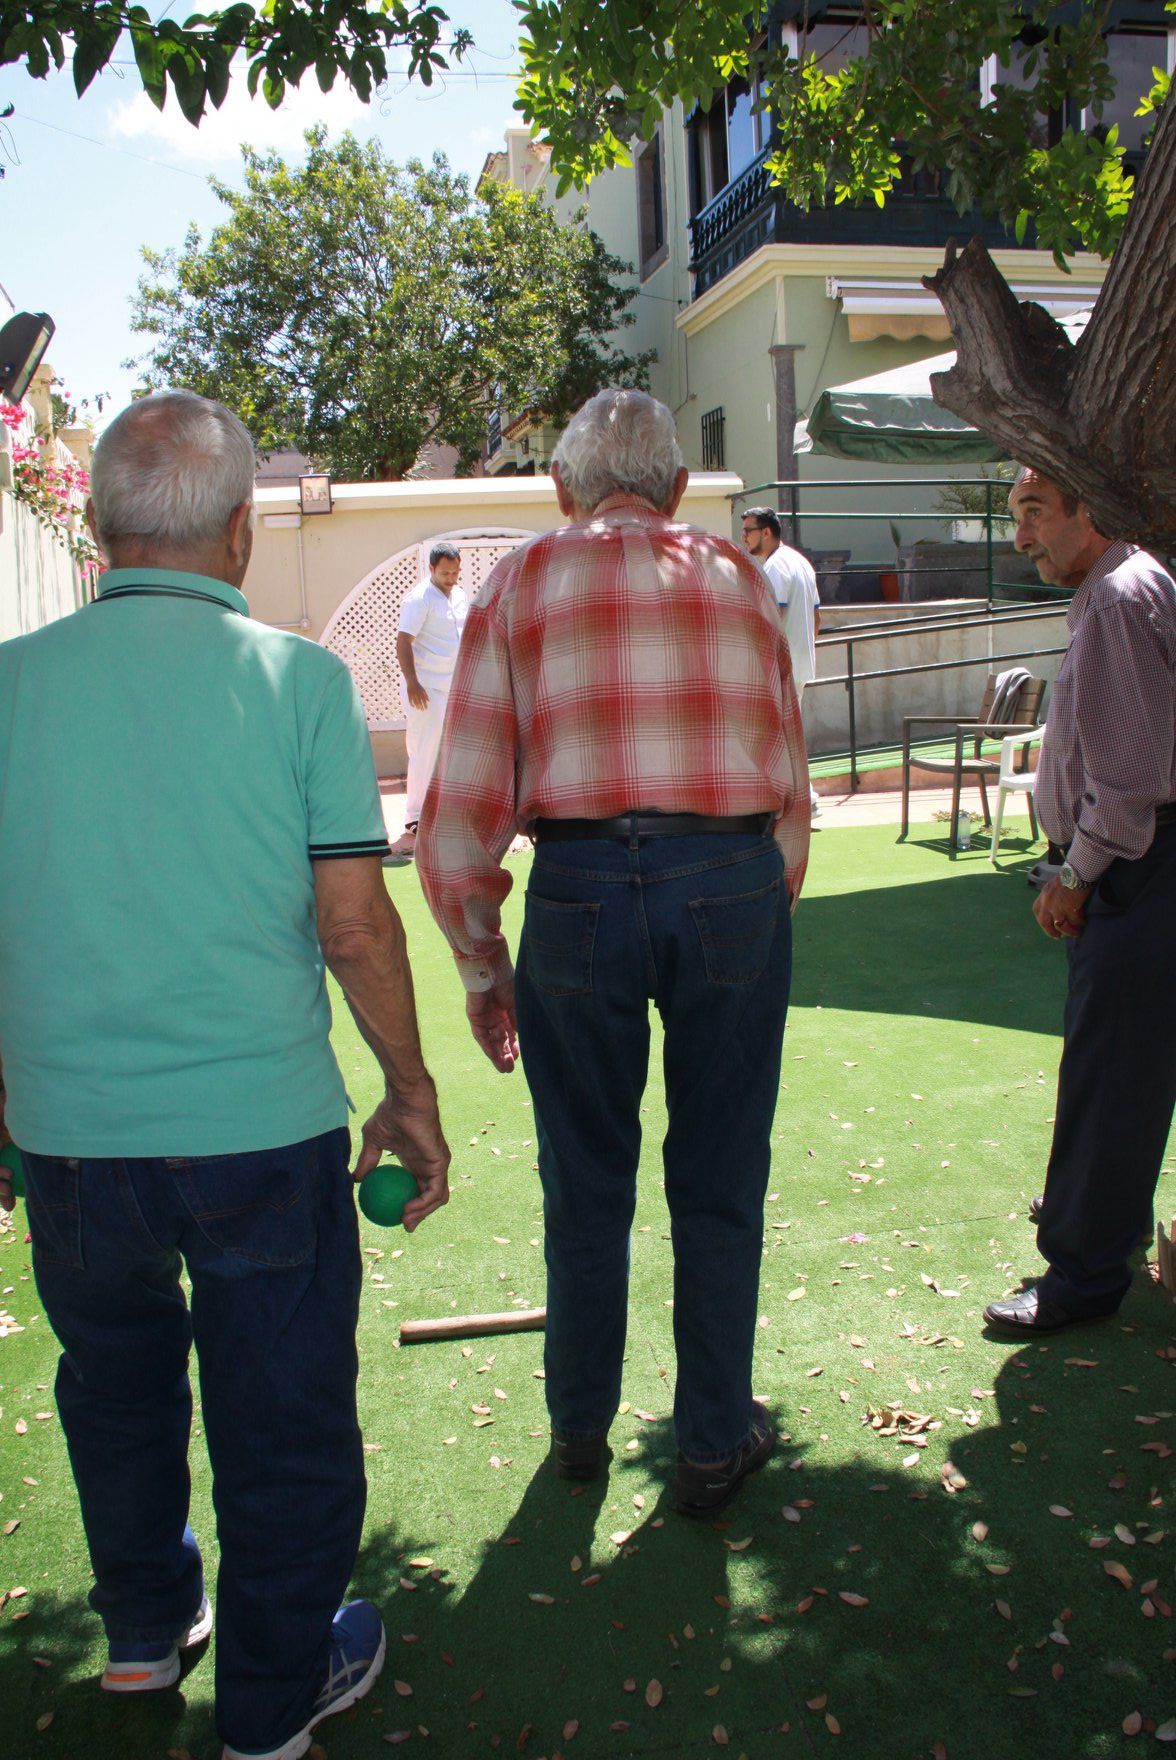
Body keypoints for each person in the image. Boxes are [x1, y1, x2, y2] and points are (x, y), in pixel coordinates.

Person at [0, 390, 451, 1760]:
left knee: (116, 1386)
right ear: (245, 532)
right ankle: (269, 1704)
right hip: (261, 1136)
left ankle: (144, 1635)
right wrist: (411, 1089)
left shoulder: (7, 686)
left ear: (96, 524)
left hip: (69, 1138)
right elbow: (355, 924)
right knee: (285, 1417)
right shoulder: (302, 683)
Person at [417, 389, 810, 1516]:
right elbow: (790, 787)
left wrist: (486, 971)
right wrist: (754, 898)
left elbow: (459, 823)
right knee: (722, 1180)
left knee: (584, 1183)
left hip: (580, 890)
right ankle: (709, 1440)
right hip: (728, 878)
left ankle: (579, 1430)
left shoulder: (522, 579)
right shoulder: (739, 579)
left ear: (561, 489)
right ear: (681, 490)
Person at [982, 467, 1176, 1336]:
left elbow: (1132, 780)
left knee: (1113, 1073)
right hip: (1140, 864)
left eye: (1034, 514)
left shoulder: (1116, 599)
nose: (1020, 536)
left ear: (1088, 509)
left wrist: (1075, 874)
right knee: (1121, 1068)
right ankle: (1097, 1218)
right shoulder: (1126, 585)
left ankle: (1085, 1274)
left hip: (1138, 867)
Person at [387, 540, 468, 861]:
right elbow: (403, 642)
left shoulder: (460, 595)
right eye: (446, 572)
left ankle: (445, 807)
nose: (451, 577)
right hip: (426, 687)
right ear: (431, 569)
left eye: (455, 572)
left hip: (454, 685)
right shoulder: (419, 599)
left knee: (450, 748)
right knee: (424, 748)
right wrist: (412, 683)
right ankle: (415, 815)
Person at [741, 506, 822, 811]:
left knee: (780, 738)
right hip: (798, 665)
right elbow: (816, 617)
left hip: (781, 668)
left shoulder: (775, 567)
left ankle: (802, 802)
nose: (743, 537)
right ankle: (803, 800)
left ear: (766, 532)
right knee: (789, 735)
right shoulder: (801, 562)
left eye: (748, 530)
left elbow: (773, 617)